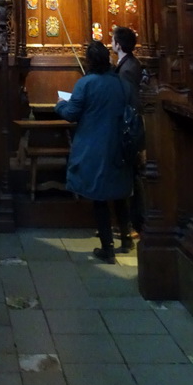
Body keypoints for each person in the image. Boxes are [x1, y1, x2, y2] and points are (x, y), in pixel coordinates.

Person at [55, 40, 134, 264]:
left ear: (88, 61)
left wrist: (59, 104)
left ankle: (107, 247)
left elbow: (71, 113)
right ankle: (127, 239)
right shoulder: (120, 83)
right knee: (120, 193)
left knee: (99, 195)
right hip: (119, 144)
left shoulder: (86, 84)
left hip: (95, 145)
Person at [112, 25, 145, 238]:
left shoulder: (126, 70)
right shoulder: (129, 64)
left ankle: (135, 225)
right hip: (131, 125)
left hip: (129, 128)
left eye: (113, 40)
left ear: (119, 44)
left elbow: (129, 100)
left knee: (132, 177)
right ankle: (128, 224)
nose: (110, 43)